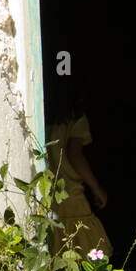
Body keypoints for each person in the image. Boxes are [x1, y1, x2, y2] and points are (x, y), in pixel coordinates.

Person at [45, 77, 112, 260]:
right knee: (86, 256)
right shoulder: (75, 119)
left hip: (48, 192)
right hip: (70, 192)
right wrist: (97, 189)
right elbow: (75, 155)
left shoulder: (43, 117)